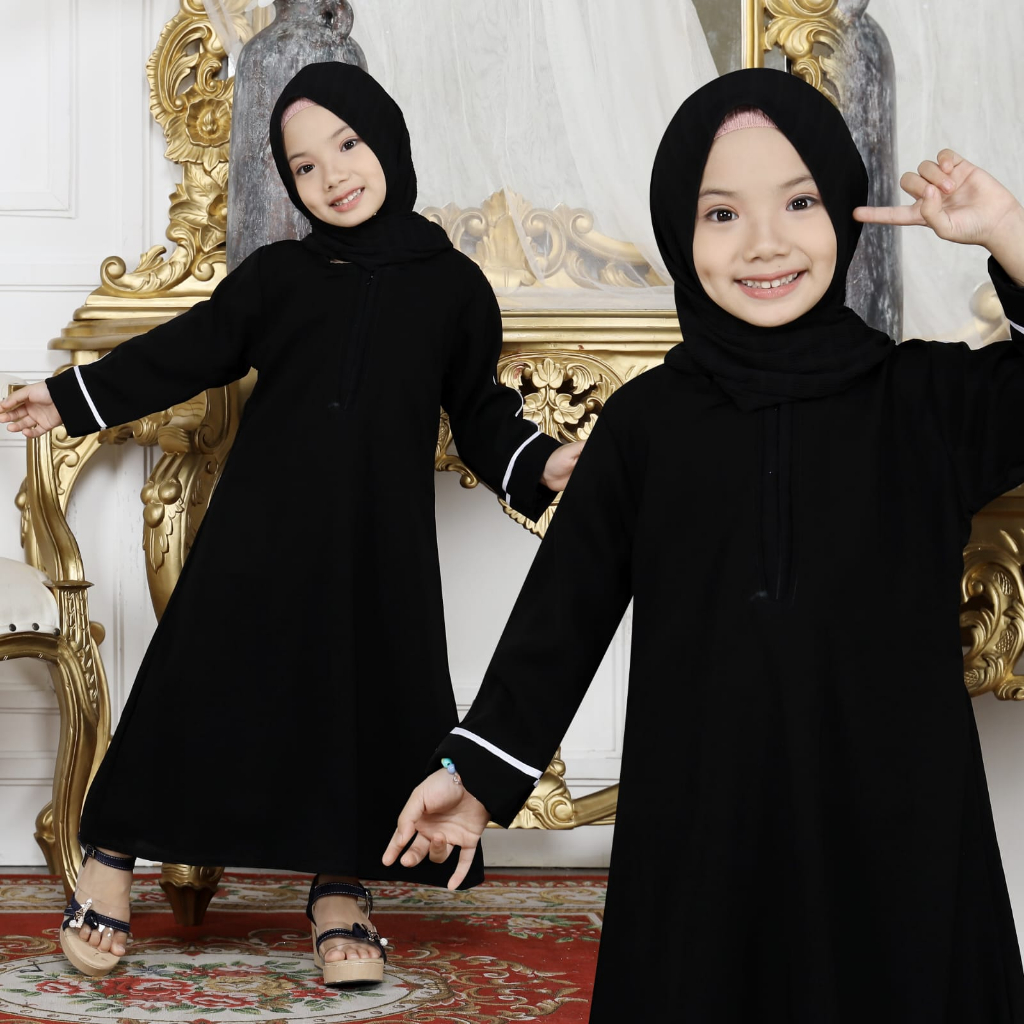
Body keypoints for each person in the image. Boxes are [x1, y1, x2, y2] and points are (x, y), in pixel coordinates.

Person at [383, 67, 1024, 1022]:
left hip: (899, 826)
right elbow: (564, 611)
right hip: (705, 820)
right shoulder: (650, 422)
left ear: (847, 211)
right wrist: (475, 777)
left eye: (800, 202)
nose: (765, 242)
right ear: (679, 234)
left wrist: (1006, 229)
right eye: (722, 213)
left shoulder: (927, 403)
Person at [0, 61, 581, 986]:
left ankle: (341, 890)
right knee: (196, 685)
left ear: (387, 140)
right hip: (258, 534)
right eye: (304, 166)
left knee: (361, 706)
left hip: (378, 548)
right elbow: (188, 349)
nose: (332, 175)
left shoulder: (454, 288)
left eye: (346, 145)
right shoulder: (280, 277)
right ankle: (110, 857)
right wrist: (69, 397)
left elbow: (478, 412)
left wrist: (545, 462)